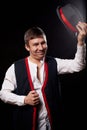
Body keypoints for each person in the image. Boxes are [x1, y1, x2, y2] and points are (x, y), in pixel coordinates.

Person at [0, 21, 87, 130]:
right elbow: (3, 94)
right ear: (27, 47)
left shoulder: (54, 63)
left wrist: (80, 41)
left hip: (52, 123)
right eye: (35, 44)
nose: (41, 48)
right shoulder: (15, 68)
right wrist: (24, 100)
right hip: (26, 124)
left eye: (43, 43)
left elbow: (78, 65)